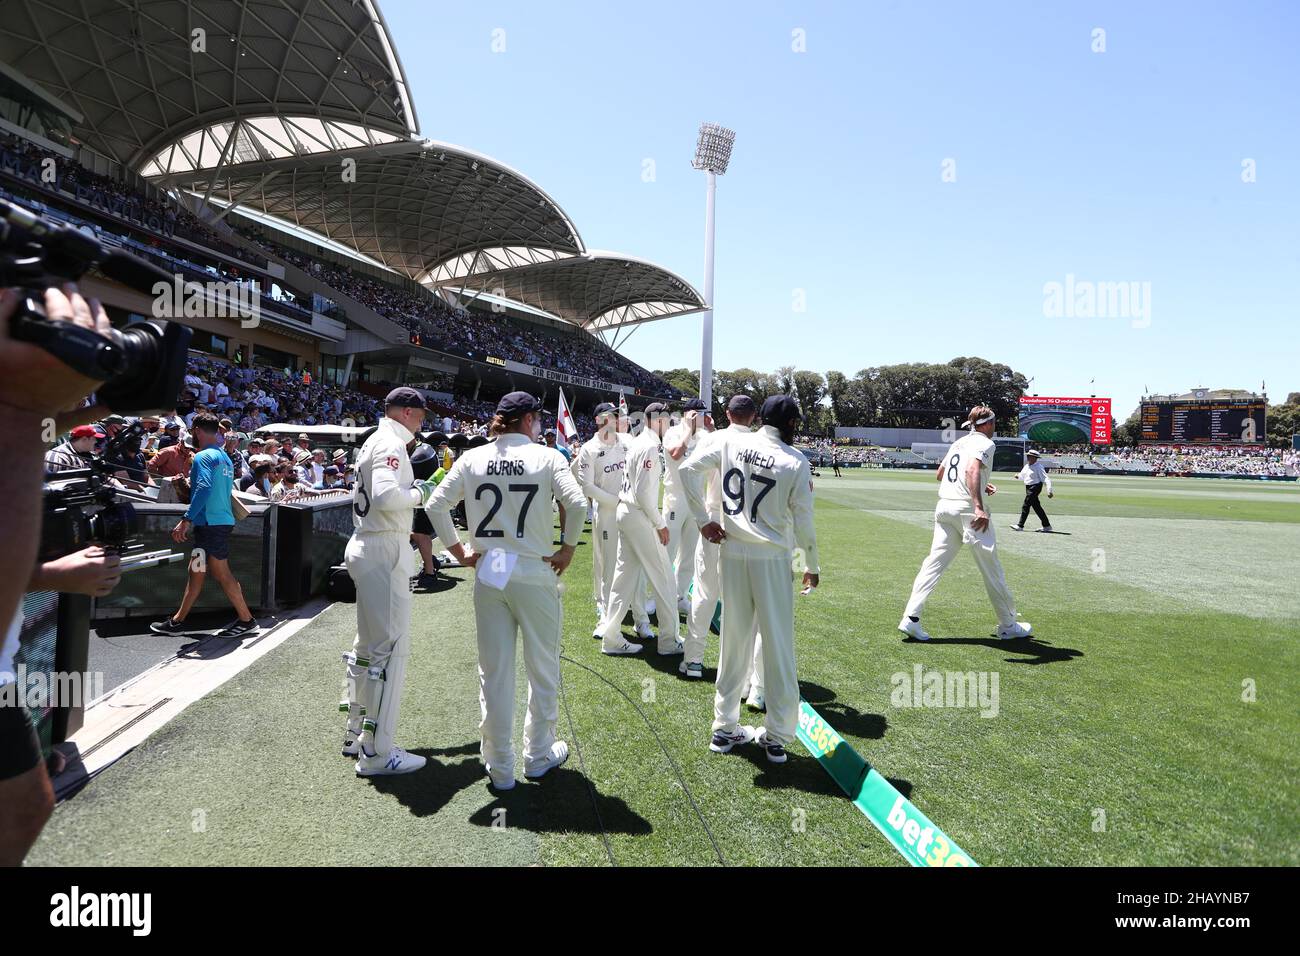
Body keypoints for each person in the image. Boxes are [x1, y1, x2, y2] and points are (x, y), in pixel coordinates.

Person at [424, 391, 588, 790]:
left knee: (494, 671)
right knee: (542, 667)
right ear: (529, 419)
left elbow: (435, 505)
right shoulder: (548, 456)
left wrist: (459, 550)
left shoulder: (473, 456)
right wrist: (567, 547)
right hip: (533, 565)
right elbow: (578, 504)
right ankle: (537, 755)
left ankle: (499, 765)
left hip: (493, 565)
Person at [680, 395, 820, 764]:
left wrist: (702, 519)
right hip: (772, 558)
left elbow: (686, 469)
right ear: (789, 424)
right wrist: (813, 564)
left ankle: (724, 728)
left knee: (733, 642)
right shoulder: (796, 461)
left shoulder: (731, 442)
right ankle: (776, 736)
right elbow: (804, 521)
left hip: (733, 550)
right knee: (777, 644)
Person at [339, 387, 437, 776]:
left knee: (364, 649)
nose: (424, 421)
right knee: (387, 651)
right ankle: (378, 753)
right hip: (383, 547)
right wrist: (421, 492)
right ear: (408, 413)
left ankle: (355, 732)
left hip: (368, 543)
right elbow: (385, 496)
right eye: (422, 414)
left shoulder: (373, 441)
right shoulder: (389, 443)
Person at [898, 405, 1032, 643]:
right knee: (992, 570)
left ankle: (911, 617)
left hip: (944, 507)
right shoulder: (986, 443)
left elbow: (941, 473)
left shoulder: (959, 443)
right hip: (967, 511)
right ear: (988, 424)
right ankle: (1008, 625)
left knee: (933, 564)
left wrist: (981, 484)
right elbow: (972, 469)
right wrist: (978, 504)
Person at [151, 414, 259, 639]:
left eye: (192, 431)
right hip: (216, 524)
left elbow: (203, 488)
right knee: (196, 571)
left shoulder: (202, 457)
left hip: (210, 525)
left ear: (197, 430)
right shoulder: (225, 458)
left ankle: (247, 620)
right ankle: (177, 621)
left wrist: (186, 518)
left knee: (221, 573)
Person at [592, 403, 683, 657]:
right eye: (667, 419)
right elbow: (644, 493)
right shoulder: (649, 446)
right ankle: (669, 640)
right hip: (639, 515)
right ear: (658, 420)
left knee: (624, 579)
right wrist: (660, 523)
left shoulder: (639, 443)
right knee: (664, 576)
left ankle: (611, 636)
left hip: (627, 512)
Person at [680, 394, 757, 680]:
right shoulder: (760, 442)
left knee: (705, 592)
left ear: (727, 413)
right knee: (741, 602)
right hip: (746, 526)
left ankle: (694, 660)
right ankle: (744, 672)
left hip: (715, 520)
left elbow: (687, 470)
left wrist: (702, 519)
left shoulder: (713, 439)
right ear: (754, 417)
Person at [573, 403, 653, 644]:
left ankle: (641, 621)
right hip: (607, 513)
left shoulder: (628, 441)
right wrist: (615, 501)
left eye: (617, 416)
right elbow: (586, 485)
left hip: (630, 513)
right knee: (609, 567)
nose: (615, 420)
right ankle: (606, 619)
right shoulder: (589, 448)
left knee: (636, 567)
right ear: (599, 420)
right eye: (610, 416)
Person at [663, 397, 711, 614]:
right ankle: (659, 597)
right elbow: (675, 454)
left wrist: (710, 429)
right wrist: (689, 430)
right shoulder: (674, 432)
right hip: (675, 498)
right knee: (668, 551)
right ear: (689, 414)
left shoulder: (704, 436)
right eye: (700, 413)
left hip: (696, 499)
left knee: (689, 554)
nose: (703, 417)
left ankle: (679, 596)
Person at [1012, 449, 1054, 532]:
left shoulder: (1039, 467)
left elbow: (1046, 479)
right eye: (1028, 456)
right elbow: (1023, 476)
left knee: (1026, 505)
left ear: (1035, 458)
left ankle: (1020, 525)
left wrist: (1049, 490)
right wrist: (1018, 476)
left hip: (1035, 487)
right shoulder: (1026, 466)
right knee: (1037, 507)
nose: (1028, 457)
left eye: (1030, 456)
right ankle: (1047, 526)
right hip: (1028, 487)